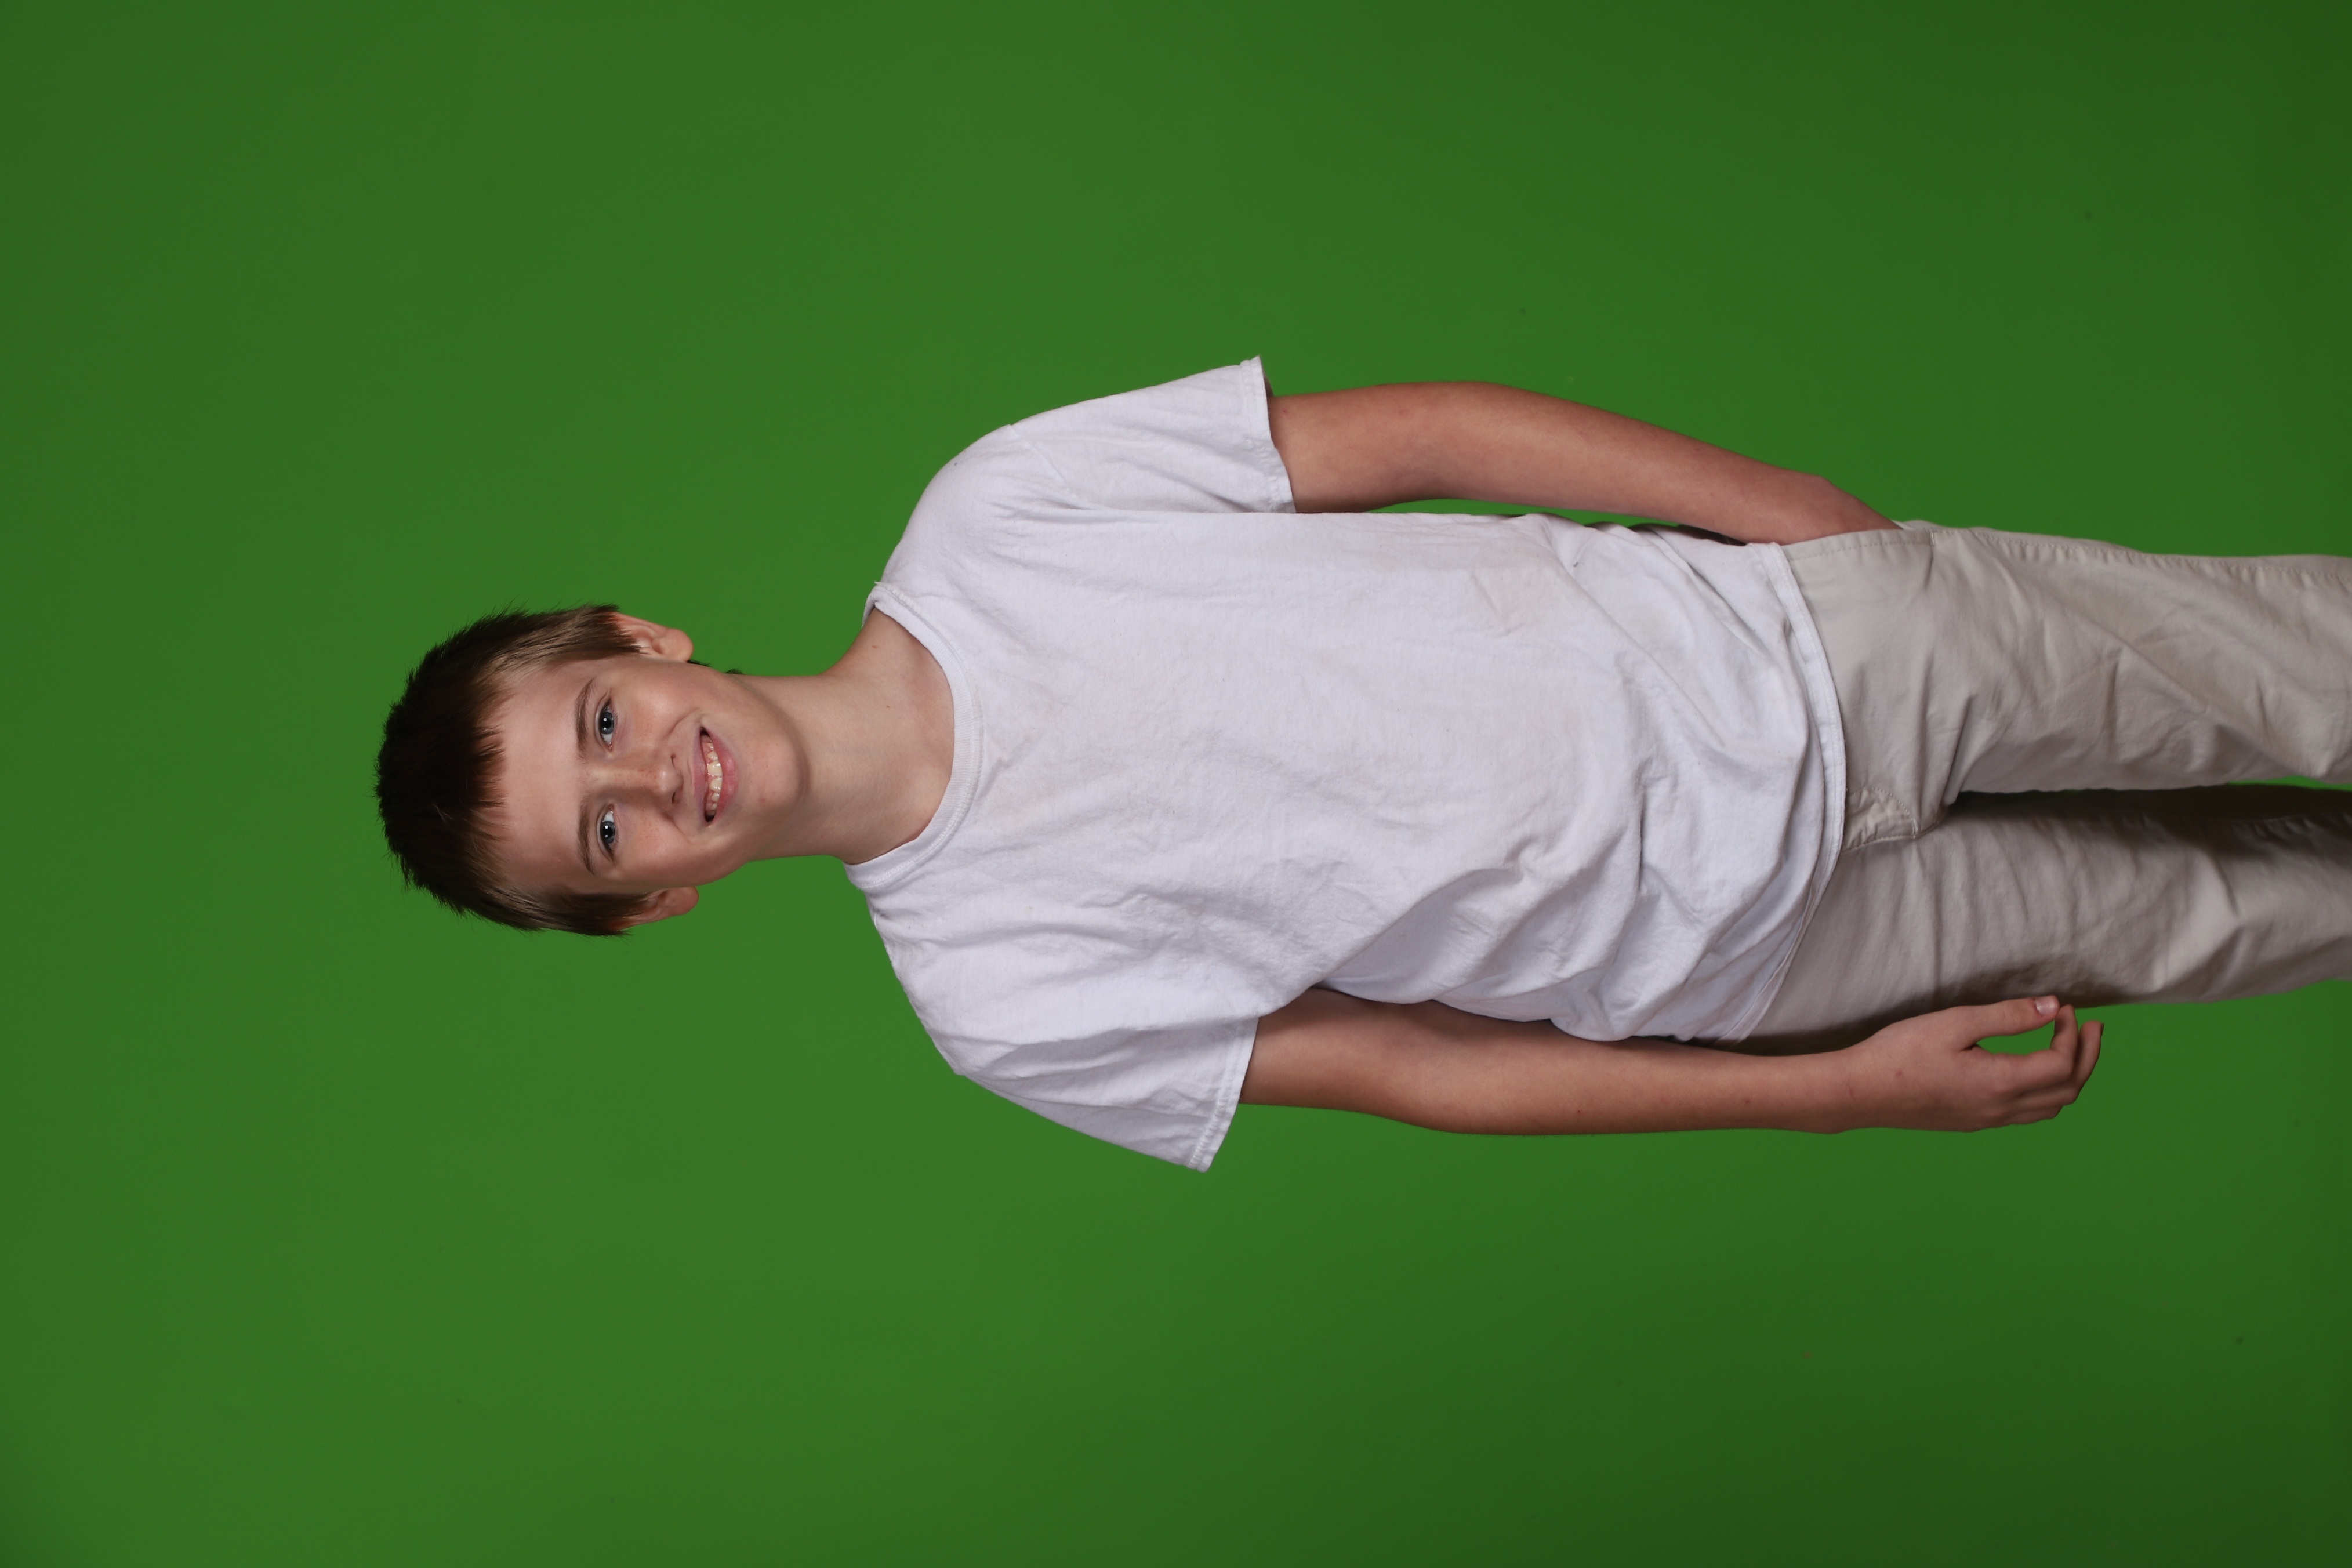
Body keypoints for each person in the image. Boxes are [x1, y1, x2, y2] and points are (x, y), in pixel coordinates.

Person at [375, 361, 2352, 1169]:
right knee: (2249, 915)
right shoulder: (996, 1002)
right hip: (1767, 954)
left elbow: (1419, 435)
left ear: (641, 640)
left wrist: (1793, 520)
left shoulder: (996, 517)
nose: (655, 779)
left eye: (603, 725)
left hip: (1803, 648)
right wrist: (1836, 1092)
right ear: (658, 898)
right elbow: (1420, 1067)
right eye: (606, 834)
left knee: (2294, 669)